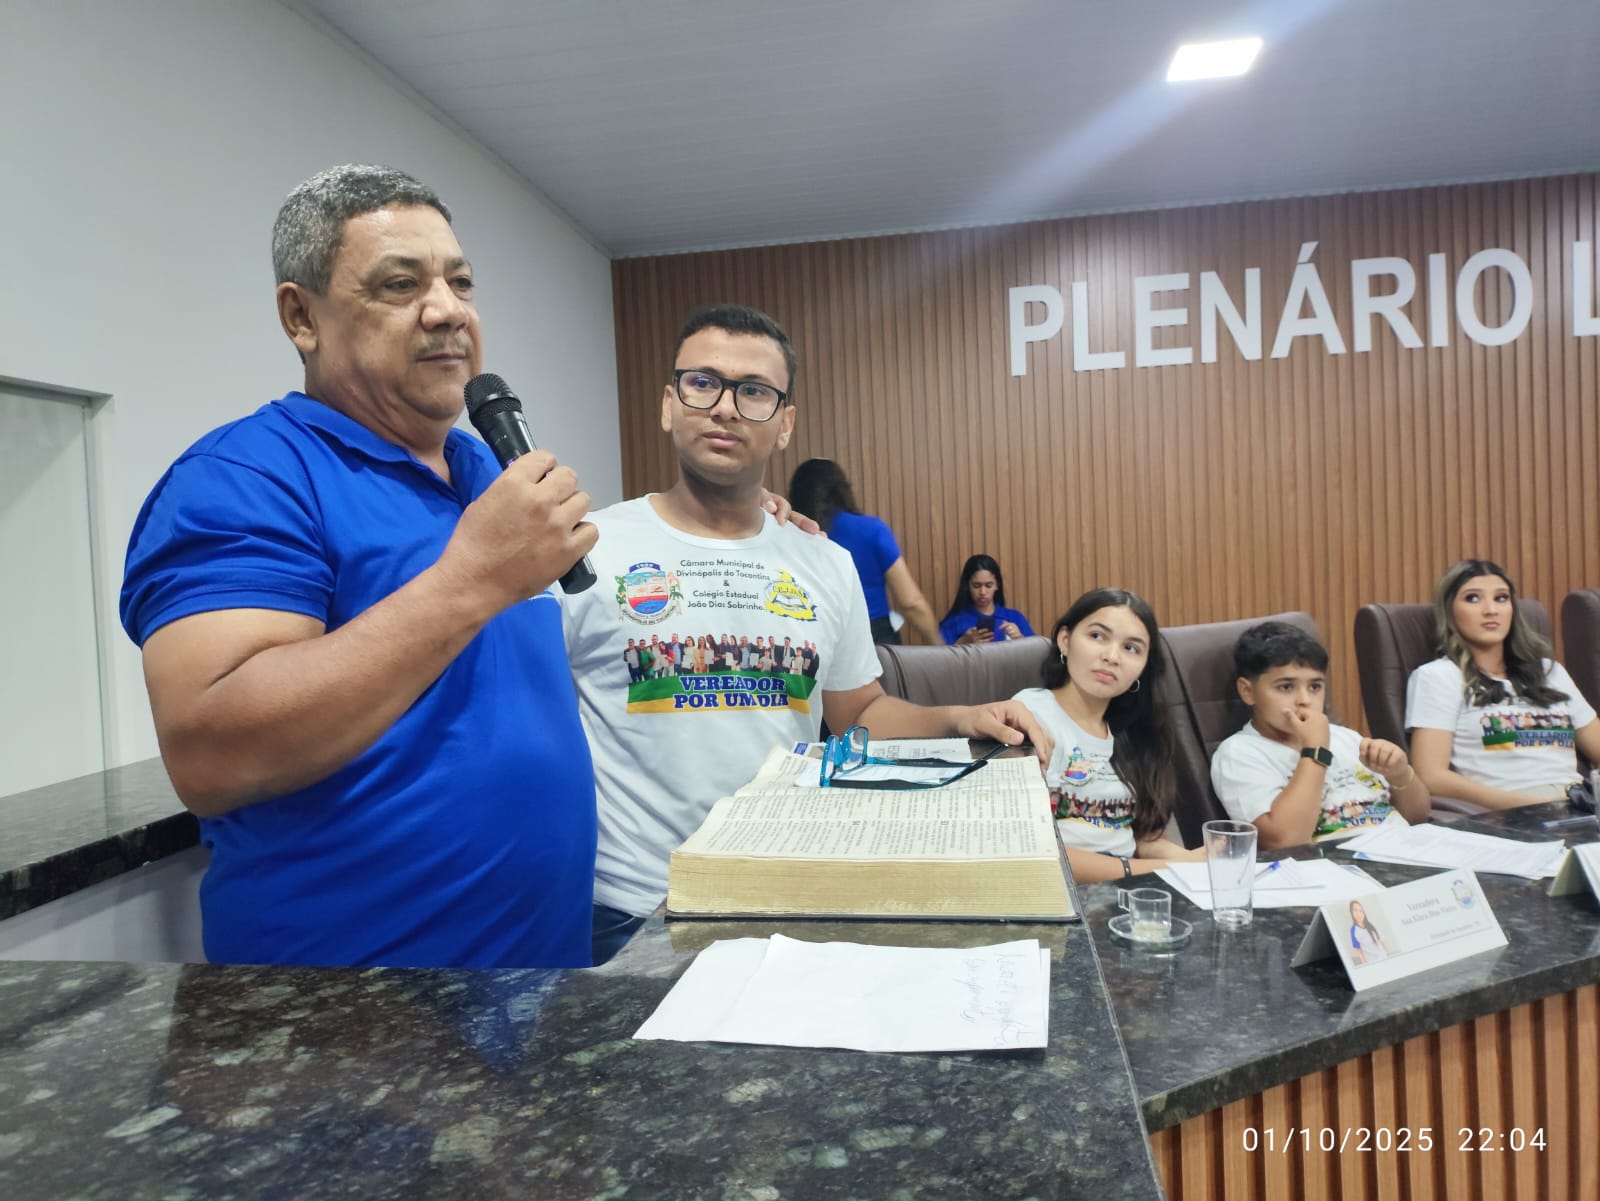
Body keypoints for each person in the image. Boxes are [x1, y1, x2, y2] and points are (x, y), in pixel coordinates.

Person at [118, 165, 599, 968]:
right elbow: (211, 752)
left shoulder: (484, 470)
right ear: (300, 316)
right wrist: (471, 580)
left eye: (461, 281)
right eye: (400, 284)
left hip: (541, 987)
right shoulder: (244, 477)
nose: (448, 310)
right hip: (349, 1027)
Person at [562, 303, 1051, 962]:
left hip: (782, 897)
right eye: (702, 383)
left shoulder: (823, 561)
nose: (726, 407)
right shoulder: (587, 548)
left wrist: (962, 715)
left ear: (785, 423)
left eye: (755, 391)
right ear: (668, 405)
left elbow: (858, 712)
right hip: (627, 910)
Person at [1010, 588, 1205, 883]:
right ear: (1065, 640)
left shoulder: (1134, 732)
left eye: (1131, 648)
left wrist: (1203, 861)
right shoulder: (1030, 713)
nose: (1112, 656)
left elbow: (1143, 838)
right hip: (1059, 893)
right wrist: (1166, 869)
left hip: (1128, 891)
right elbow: (1030, 847)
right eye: (1097, 636)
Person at [1211, 622, 1431, 846]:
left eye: (1315, 687)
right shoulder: (1239, 754)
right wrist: (1315, 751)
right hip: (1335, 866)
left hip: (1402, 850)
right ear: (1248, 691)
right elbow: (1285, 841)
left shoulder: (1345, 738)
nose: (1305, 700)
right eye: (1286, 687)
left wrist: (1400, 774)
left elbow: (1417, 816)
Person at [1406, 559, 1600, 808]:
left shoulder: (1548, 671)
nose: (1491, 610)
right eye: (1473, 598)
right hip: (1508, 814)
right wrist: (1531, 807)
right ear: (1449, 610)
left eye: (1501, 598)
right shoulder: (1438, 677)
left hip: (1579, 804)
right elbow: (1431, 777)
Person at [786, 458, 942, 645]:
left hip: (814, 640)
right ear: (842, 490)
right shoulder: (872, 530)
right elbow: (910, 602)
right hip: (876, 640)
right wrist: (938, 643)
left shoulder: (789, 536)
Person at [940, 554, 1035, 646]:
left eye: (988, 585)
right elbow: (940, 658)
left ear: (997, 585)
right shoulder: (953, 622)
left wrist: (1020, 638)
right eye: (976, 586)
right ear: (967, 586)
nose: (982, 592)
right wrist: (962, 642)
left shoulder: (1014, 618)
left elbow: (1035, 653)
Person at [1348, 900, 1389, 965]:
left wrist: (1388, 955)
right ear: (1351, 912)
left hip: (1385, 958)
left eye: (1361, 911)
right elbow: (1358, 950)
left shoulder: (1371, 925)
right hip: (1372, 962)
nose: (1358, 913)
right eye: (1355, 910)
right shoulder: (1353, 930)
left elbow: (1382, 941)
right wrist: (1365, 964)